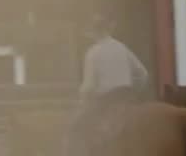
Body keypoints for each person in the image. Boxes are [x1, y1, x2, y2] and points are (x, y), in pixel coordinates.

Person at [63, 13, 150, 156]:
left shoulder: (93, 52)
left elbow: (89, 86)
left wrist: (81, 100)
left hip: (105, 101)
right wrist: (135, 91)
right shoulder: (122, 48)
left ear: (93, 32)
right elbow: (143, 74)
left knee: (75, 128)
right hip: (127, 98)